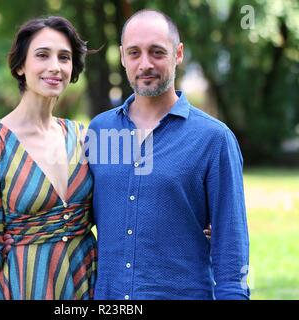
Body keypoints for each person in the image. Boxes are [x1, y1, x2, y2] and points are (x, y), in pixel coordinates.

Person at [86, 9, 250, 300]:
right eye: (134, 53)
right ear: (123, 56)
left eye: (157, 52)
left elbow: (231, 251)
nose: (145, 64)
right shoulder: (99, 131)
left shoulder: (214, 139)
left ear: (178, 54)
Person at [0, 16, 97, 300]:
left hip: (88, 284)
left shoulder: (85, 138)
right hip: (27, 286)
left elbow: (124, 200)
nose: (54, 67)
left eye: (64, 57)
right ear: (21, 66)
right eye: (42, 55)